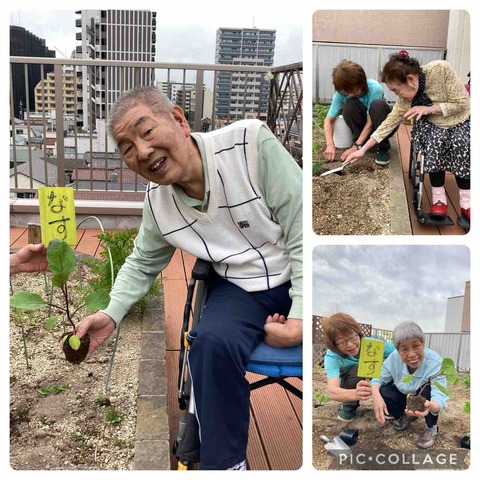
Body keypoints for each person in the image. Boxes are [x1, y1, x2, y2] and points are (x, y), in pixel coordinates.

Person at [75, 86, 303, 470]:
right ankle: (226, 465)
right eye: (127, 148)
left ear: (179, 120)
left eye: (146, 132)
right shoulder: (158, 204)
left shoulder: (249, 145)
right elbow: (142, 261)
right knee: (209, 342)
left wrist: (301, 314)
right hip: (240, 287)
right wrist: (111, 313)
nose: (142, 152)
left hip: (303, 270)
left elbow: (302, 230)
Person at [344, 51, 470, 221]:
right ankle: (439, 197)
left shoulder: (441, 69)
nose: (398, 96)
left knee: (463, 143)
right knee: (434, 144)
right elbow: (387, 124)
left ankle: (467, 201)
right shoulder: (405, 101)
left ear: (410, 80)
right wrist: (362, 149)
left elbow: (463, 102)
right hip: (432, 124)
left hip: (459, 120)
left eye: (396, 91)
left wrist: (429, 109)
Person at [370, 321, 449, 449]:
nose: (411, 354)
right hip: (404, 392)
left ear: (423, 344)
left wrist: (431, 406)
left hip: (424, 396)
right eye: (404, 349)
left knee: (427, 391)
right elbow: (378, 379)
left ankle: (431, 428)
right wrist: (377, 398)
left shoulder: (435, 362)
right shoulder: (393, 358)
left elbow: (439, 397)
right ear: (398, 350)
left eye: (416, 346)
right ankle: (406, 415)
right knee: (384, 390)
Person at [322, 313, 395, 421]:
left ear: (358, 333)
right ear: (334, 345)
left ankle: (388, 402)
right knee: (356, 369)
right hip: (351, 384)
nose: (350, 345)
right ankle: (349, 406)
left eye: (352, 337)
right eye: (341, 342)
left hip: (378, 380)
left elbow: (398, 353)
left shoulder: (372, 345)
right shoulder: (332, 357)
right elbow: (332, 391)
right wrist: (355, 393)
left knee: (388, 365)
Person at [323, 60, 394, 166]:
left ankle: (383, 146)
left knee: (378, 106)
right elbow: (328, 120)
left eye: (355, 91)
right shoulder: (341, 94)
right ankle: (361, 141)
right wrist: (330, 144)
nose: (351, 94)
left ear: (362, 82)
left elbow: (370, 122)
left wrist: (356, 146)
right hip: (363, 128)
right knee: (349, 104)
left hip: (381, 124)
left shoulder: (374, 88)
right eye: (347, 92)